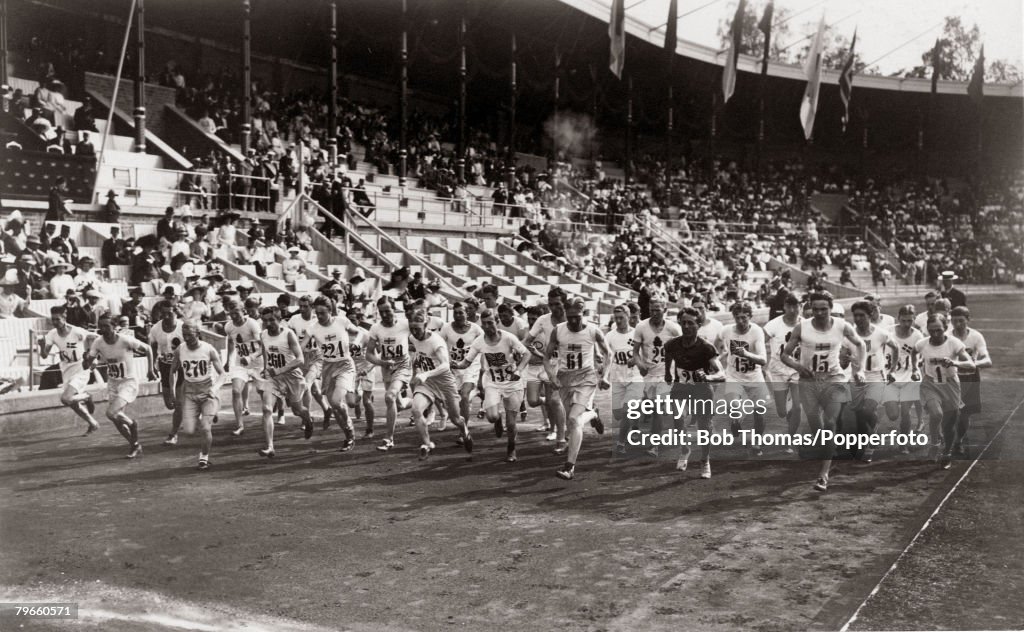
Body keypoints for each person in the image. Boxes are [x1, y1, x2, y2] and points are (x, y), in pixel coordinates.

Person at [781, 291, 865, 492]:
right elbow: (785, 355)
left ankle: (823, 474)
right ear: (811, 308)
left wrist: (860, 369)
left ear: (831, 308)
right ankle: (830, 449)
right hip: (808, 381)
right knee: (816, 425)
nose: (819, 313)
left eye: (824, 309)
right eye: (816, 309)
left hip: (834, 380)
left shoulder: (841, 326)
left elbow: (861, 344)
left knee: (829, 423)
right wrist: (799, 367)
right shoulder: (802, 327)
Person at [545, 297, 610, 480]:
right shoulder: (558, 331)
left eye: (577, 317)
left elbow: (608, 353)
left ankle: (569, 467)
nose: (574, 320)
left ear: (583, 314)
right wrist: (552, 377)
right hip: (565, 378)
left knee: (573, 419)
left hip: (586, 378)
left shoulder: (593, 330)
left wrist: (604, 376)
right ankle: (593, 414)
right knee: (574, 421)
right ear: (566, 314)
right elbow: (546, 357)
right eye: (570, 316)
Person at [454, 308, 531, 461]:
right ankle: (498, 418)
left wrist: (520, 369)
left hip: (512, 382)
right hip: (493, 382)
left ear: (497, 322)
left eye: (490, 323)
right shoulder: (479, 341)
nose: (487, 327)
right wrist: (456, 365)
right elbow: (466, 362)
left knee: (511, 424)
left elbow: (527, 354)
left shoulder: (508, 338)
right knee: (491, 417)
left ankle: (511, 448)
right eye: (484, 324)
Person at [83, 314, 158, 459]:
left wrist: (151, 369)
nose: (103, 329)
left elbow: (148, 348)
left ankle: (132, 424)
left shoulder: (125, 340)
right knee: (116, 419)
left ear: (114, 327)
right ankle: (135, 445)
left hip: (128, 382)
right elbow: (87, 365)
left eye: (106, 326)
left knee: (111, 413)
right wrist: (86, 359)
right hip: (113, 382)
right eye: (101, 326)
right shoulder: (98, 342)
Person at [664, 307, 726, 479]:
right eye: (683, 323)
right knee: (677, 418)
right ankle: (685, 449)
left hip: (701, 389)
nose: (686, 326)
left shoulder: (706, 347)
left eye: (690, 323)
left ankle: (705, 460)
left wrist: (708, 377)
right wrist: (667, 373)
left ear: (698, 325)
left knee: (704, 426)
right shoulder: (672, 344)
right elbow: (669, 356)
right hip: (681, 388)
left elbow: (722, 375)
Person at [407, 309, 474, 459]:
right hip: (427, 384)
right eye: (412, 328)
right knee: (416, 410)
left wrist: (425, 374)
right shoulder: (412, 338)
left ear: (426, 325)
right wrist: (416, 371)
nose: (414, 332)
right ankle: (427, 444)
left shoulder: (436, 341)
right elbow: (418, 355)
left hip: (444, 383)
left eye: (417, 329)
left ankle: (464, 430)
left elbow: (445, 365)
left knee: (456, 419)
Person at [916, 313, 974, 469]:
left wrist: (954, 363)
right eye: (931, 330)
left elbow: (971, 364)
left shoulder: (954, 343)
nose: (935, 334)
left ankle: (947, 452)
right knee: (936, 414)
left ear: (945, 328)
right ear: (927, 329)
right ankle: (934, 444)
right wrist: (915, 368)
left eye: (939, 330)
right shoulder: (922, 344)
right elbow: (913, 354)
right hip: (930, 383)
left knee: (949, 425)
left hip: (950, 385)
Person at [258, 306, 314, 457]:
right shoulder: (263, 334)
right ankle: (270, 446)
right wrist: (265, 368)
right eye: (265, 320)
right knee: (267, 409)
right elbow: (265, 351)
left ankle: (307, 418)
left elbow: (300, 359)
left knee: (297, 410)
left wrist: (280, 370)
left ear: (280, 320)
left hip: (292, 377)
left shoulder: (288, 334)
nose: (268, 323)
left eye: (271, 320)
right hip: (274, 378)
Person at [848, 301, 899, 462]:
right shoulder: (849, 335)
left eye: (862, 315)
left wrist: (892, 370)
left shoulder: (880, 334)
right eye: (855, 315)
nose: (858, 319)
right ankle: (864, 441)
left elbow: (896, 347)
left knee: (867, 409)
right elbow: (843, 359)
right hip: (856, 378)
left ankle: (869, 444)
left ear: (870, 316)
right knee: (859, 414)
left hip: (876, 376)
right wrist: (844, 359)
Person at [631, 298, 682, 458]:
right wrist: (640, 365)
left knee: (658, 408)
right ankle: (677, 431)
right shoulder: (641, 327)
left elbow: (682, 349)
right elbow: (635, 352)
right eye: (652, 310)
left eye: (657, 310)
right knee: (657, 409)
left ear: (664, 310)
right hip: (649, 375)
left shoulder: (673, 328)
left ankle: (655, 444)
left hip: (667, 375)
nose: (654, 313)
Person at [171, 319, 225, 470]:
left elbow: (222, 374)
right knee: (188, 431)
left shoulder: (208, 349)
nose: (187, 337)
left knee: (205, 428)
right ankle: (209, 413)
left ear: (198, 333)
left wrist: (215, 388)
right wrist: (173, 391)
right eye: (184, 334)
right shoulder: (180, 350)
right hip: (190, 392)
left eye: (190, 334)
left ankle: (204, 457)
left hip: (207, 392)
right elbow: (173, 371)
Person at [718, 301, 769, 454]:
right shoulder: (726, 330)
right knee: (733, 406)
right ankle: (736, 420)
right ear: (733, 317)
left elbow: (763, 359)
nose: (740, 321)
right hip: (734, 375)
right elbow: (717, 343)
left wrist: (746, 354)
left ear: (750, 317)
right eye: (737, 318)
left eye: (744, 318)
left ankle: (757, 442)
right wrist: (721, 354)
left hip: (754, 375)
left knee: (760, 412)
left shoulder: (756, 332)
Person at [308, 296, 357, 452]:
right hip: (328, 367)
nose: (319, 316)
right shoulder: (313, 327)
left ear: (330, 311)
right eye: (317, 313)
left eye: (322, 313)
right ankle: (348, 436)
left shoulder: (341, 321)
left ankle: (349, 424)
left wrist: (356, 343)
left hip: (344, 365)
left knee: (336, 401)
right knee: (335, 407)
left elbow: (359, 332)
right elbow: (301, 345)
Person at [40, 305, 100, 434]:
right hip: (66, 369)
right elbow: (44, 355)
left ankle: (87, 396)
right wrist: (41, 346)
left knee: (65, 398)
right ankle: (92, 423)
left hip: (80, 367)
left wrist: (93, 359)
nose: (55, 322)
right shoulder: (52, 334)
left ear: (64, 317)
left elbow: (94, 340)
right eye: (53, 319)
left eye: (57, 319)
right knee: (72, 402)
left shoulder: (77, 332)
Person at [524, 289, 568, 451]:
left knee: (562, 402)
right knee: (552, 401)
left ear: (564, 303)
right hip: (550, 364)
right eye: (551, 304)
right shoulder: (543, 320)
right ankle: (561, 437)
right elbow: (527, 340)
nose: (553, 308)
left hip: (569, 364)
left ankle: (589, 414)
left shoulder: (571, 318)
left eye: (557, 304)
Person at [366, 297, 412, 452]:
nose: (384, 315)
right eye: (381, 312)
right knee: (399, 404)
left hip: (403, 365)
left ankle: (389, 439)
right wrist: (381, 362)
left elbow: (422, 333)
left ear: (394, 309)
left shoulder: (405, 324)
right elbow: (369, 354)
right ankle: (421, 403)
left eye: (387, 311)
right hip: (386, 367)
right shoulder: (375, 328)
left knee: (389, 397)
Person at [948, 306, 991, 456]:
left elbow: (987, 360)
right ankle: (948, 439)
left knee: (964, 415)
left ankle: (958, 441)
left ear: (968, 319)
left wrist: (971, 364)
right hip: (951, 378)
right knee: (950, 412)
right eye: (954, 321)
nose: (958, 324)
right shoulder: (947, 336)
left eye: (961, 321)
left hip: (970, 378)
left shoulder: (976, 336)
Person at [763, 293, 802, 451]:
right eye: (789, 306)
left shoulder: (806, 324)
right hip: (778, 370)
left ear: (800, 306)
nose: (792, 310)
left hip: (798, 370)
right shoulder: (773, 325)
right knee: (781, 412)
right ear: (784, 307)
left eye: (795, 306)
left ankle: (789, 440)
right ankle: (788, 408)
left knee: (798, 408)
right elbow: (760, 342)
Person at [882, 305, 924, 452]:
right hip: (890, 376)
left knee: (905, 412)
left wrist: (917, 367)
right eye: (903, 320)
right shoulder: (887, 332)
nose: (906, 324)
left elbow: (920, 357)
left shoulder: (918, 336)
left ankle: (903, 443)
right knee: (893, 415)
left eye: (910, 321)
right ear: (898, 318)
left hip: (909, 377)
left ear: (914, 319)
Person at [439, 302, 484, 431]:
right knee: (455, 400)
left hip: (471, 366)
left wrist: (483, 369)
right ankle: (477, 394)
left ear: (467, 313)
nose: (458, 315)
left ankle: (464, 430)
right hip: (454, 368)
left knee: (464, 395)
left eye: (461, 312)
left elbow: (485, 345)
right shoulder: (446, 328)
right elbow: (438, 345)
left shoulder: (476, 329)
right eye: (455, 313)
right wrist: (445, 361)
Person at [606, 305, 644, 455]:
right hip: (617, 378)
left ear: (628, 317)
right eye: (616, 318)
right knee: (617, 414)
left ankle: (621, 443)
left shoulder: (637, 334)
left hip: (635, 377)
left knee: (627, 410)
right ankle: (635, 423)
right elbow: (606, 356)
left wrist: (636, 360)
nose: (618, 321)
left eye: (621, 317)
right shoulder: (610, 336)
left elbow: (646, 354)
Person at [288, 295, 331, 428]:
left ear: (312, 307)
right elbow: (289, 337)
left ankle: (306, 419)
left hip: (316, 356)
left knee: (306, 383)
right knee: (315, 390)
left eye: (305, 306)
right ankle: (327, 409)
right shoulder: (294, 320)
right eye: (300, 306)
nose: (302, 309)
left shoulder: (318, 319)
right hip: (301, 357)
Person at [224, 299, 263, 436]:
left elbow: (262, 346)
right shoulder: (228, 326)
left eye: (236, 312)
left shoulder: (252, 324)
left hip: (257, 363)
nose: (234, 316)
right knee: (236, 391)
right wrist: (228, 360)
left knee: (262, 391)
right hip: (240, 363)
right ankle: (239, 425)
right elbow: (230, 342)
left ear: (243, 311)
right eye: (231, 313)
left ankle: (269, 415)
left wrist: (251, 357)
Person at [149, 301, 185, 446]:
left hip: (182, 368)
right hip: (165, 366)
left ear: (175, 312)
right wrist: (152, 366)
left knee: (178, 403)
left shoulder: (182, 327)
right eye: (163, 313)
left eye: (169, 313)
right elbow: (152, 346)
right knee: (169, 404)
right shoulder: (156, 328)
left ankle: (173, 434)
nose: (165, 316)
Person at [346, 305, 376, 437]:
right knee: (351, 403)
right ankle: (357, 399)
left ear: (358, 320)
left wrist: (367, 369)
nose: (351, 323)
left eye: (353, 320)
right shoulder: (342, 335)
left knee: (367, 401)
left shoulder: (365, 335)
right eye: (348, 320)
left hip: (366, 367)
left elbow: (375, 356)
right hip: (351, 369)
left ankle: (370, 429)